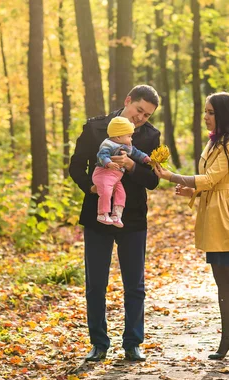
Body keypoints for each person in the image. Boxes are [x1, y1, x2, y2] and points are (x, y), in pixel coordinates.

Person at [153, 92, 229, 362]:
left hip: (227, 214)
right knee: (220, 279)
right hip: (213, 212)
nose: (205, 116)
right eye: (205, 111)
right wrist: (191, 191)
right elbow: (210, 183)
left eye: (211, 112)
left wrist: (171, 176)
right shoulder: (215, 142)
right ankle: (228, 337)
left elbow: (214, 178)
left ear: (224, 114)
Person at [69, 85, 161, 362]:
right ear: (127, 100)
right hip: (97, 214)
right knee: (96, 283)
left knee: (135, 284)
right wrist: (91, 188)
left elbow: (154, 180)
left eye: (146, 115)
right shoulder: (95, 128)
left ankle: (133, 343)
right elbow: (75, 166)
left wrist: (133, 167)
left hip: (132, 216)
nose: (141, 118)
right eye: (138, 111)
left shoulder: (151, 136)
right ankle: (98, 343)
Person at [93, 116, 151, 227]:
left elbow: (136, 152)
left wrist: (145, 158)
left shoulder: (126, 145)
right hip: (103, 173)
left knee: (121, 194)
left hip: (116, 176)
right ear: (119, 137)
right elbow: (101, 155)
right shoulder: (107, 144)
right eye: (129, 136)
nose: (131, 139)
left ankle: (116, 215)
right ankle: (102, 213)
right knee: (106, 191)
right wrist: (108, 163)